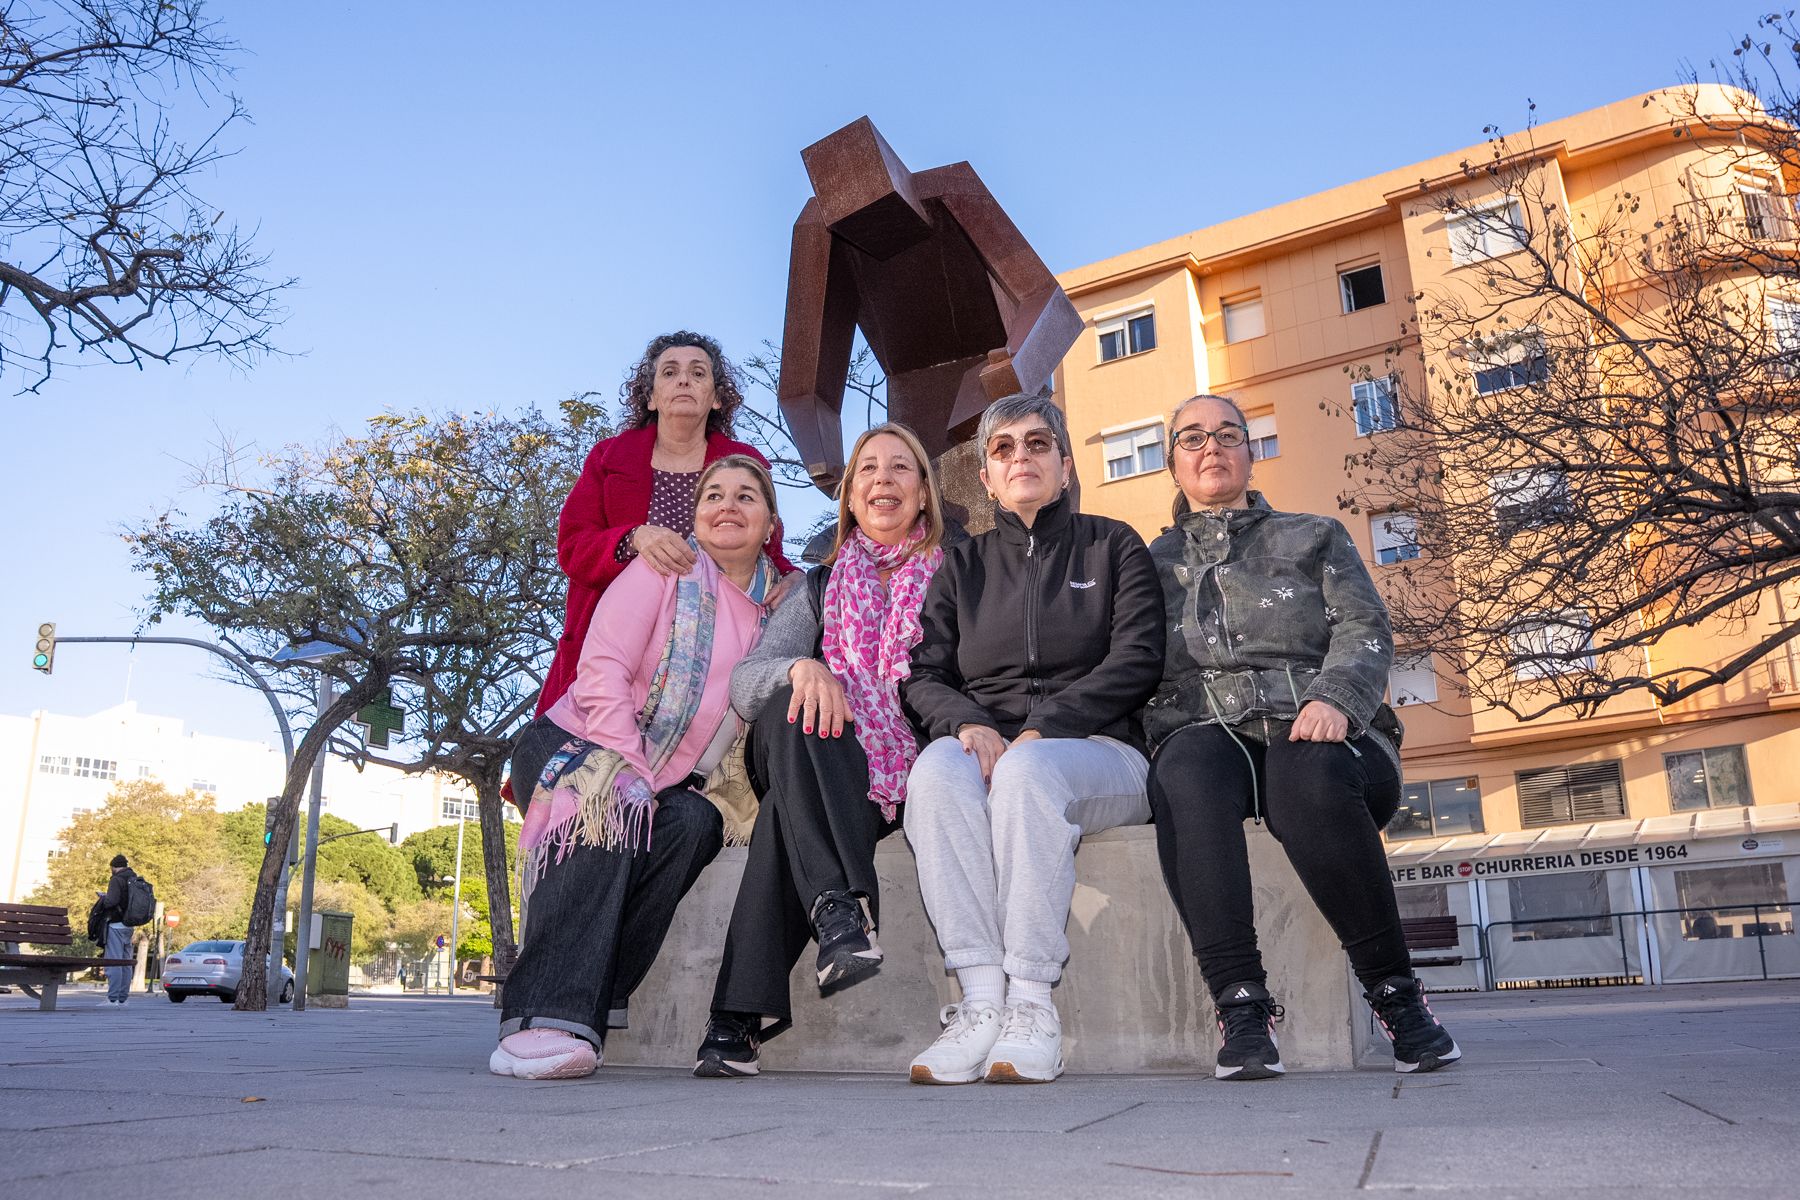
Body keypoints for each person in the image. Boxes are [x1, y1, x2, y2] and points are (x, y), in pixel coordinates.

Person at [1143, 393, 1460, 1080]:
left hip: (1323, 730)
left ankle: (1397, 994)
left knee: (1304, 769)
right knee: (1187, 768)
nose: (1211, 447)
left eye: (1228, 434)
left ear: (1251, 454)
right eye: (1191, 437)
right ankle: (1242, 1005)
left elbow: (1366, 626)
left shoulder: (1314, 536)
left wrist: (1336, 696)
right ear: (1172, 462)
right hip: (1209, 731)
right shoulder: (1148, 565)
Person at [900, 392, 1165, 1085]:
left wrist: (1044, 729)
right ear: (985, 478)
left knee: (1027, 773)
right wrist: (969, 723)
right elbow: (923, 673)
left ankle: (1030, 1002)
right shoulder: (961, 567)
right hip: (992, 749)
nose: (1022, 456)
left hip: (1102, 755)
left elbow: (1136, 659)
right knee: (932, 772)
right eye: (1004, 447)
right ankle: (981, 1000)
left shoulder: (1114, 545)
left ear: (1066, 465)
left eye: (1037, 443)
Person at [490, 456, 782, 1080]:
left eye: (746, 497)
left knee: (696, 823)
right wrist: (629, 765)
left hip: (663, 781)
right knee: (614, 801)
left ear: (770, 523)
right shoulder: (664, 569)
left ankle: (602, 985)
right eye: (713, 495)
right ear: (696, 515)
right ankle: (544, 1011)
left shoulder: (774, 616)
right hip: (577, 736)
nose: (727, 505)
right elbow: (602, 669)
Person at [694, 423, 948, 1078]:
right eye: (867, 470)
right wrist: (799, 670)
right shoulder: (816, 586)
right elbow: (748, 682)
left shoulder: (957, 577)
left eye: (900, 468)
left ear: (924, 494)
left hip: (914, 762)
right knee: (793, 703)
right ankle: (841, 905)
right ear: (851, 498)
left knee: (787, 815)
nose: (882, 480)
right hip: (818, 744)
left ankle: (739, 1018)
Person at [536, 331, 798, 719]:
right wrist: (633, 538)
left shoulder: (744, 462)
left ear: (717, 397)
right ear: (650, 396)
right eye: (670, 372)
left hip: (715, 657)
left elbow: (768, 546)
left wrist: (791, 579)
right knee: (575, 759)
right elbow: (573, 546)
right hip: (616, 647)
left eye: (698, 373)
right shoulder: (609, 457)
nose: (683, 381)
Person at [95, 854, 138, 1004]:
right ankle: (122, 998)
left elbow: (111, 902)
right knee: (126, 962)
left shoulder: (116, 879)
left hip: (116, 924)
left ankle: (112, 998)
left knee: (114, 961)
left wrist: (103, 898)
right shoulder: (134, 878)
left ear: (114, 867)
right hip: (129, 926)